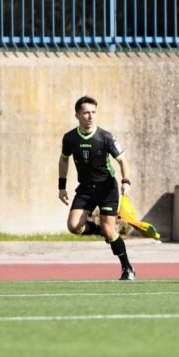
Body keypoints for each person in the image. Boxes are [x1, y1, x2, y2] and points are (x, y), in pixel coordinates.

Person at [58, 95, 137, 280]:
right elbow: (63, 160)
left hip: (107, 188)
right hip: (85, 188)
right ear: (77, 115)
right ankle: (101, 229)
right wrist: (61, 186)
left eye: (93, 112)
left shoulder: (105, 137)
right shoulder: (69, 138)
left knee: (111, 231)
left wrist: (126, 181)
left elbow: (123, 160)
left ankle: (127, 269)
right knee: (73, 226)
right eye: (86, 112)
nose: (90, 116)